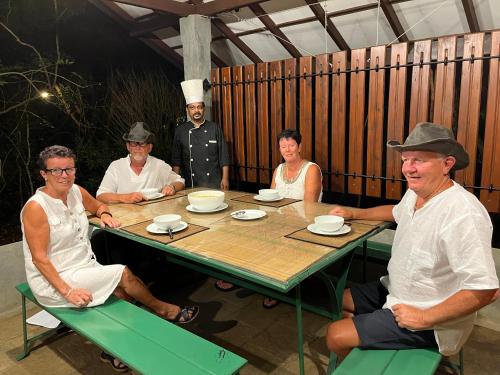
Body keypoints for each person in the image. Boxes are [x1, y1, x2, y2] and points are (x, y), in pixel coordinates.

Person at [325, 122, 499, 361]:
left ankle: (374, 350)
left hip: (430, 315)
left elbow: (486, 290)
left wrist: (424, 318)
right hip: (396, 290)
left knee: (335, 335)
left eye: (418, 160)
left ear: (447, 164)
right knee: (338, 299)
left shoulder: (462, 211)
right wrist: (356, 213)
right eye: (405, 160)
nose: (408, 168)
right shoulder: (417, 191)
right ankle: (372, 349)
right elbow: (397, 212)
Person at [21, 145, 198, 372]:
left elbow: (99, 205)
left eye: (69, 169)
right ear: (44, 174)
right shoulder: (37, 207)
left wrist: (104, 214)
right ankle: (165, 310)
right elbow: (39, 259)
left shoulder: (75, 192)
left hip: (83, 266)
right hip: (53, 280)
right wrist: (68, 291)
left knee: (123, 294)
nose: (64, 176)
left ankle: (113, 349)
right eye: (56, 171)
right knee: (124, 274)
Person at [216, 129, 323, 308]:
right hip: (280, 223)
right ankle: (243, 276)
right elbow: (271, 199)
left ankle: (276, 288)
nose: (287, 150)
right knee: (246, 233)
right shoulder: (279, 169)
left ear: (300, 147)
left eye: (291, 145)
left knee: (275, 243)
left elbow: (309, 208)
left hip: (303, 226)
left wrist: (282, 220)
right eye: (283, 146)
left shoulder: (311, 169)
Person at [96, 122, 185, 203]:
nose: (137, 148)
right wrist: (124, 197)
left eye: (142, 143)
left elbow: (180, 181)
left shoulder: (159, 165)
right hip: (123, 218)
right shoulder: (116, 166)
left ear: (150, 147)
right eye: (133, 143)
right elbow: (100, 196)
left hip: (153, 217)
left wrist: (172, 187)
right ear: (128, 147)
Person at [171, 79, 230, 190]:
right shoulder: (180, 131)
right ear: (187, 110)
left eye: (199, 107)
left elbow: (224, 156)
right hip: (191, 183)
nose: (196, 111)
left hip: (214, 181)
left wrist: (225, 178)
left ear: (203, 109)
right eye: (192, 108)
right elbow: (176, 160)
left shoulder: (214, 128)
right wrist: (175, 183)